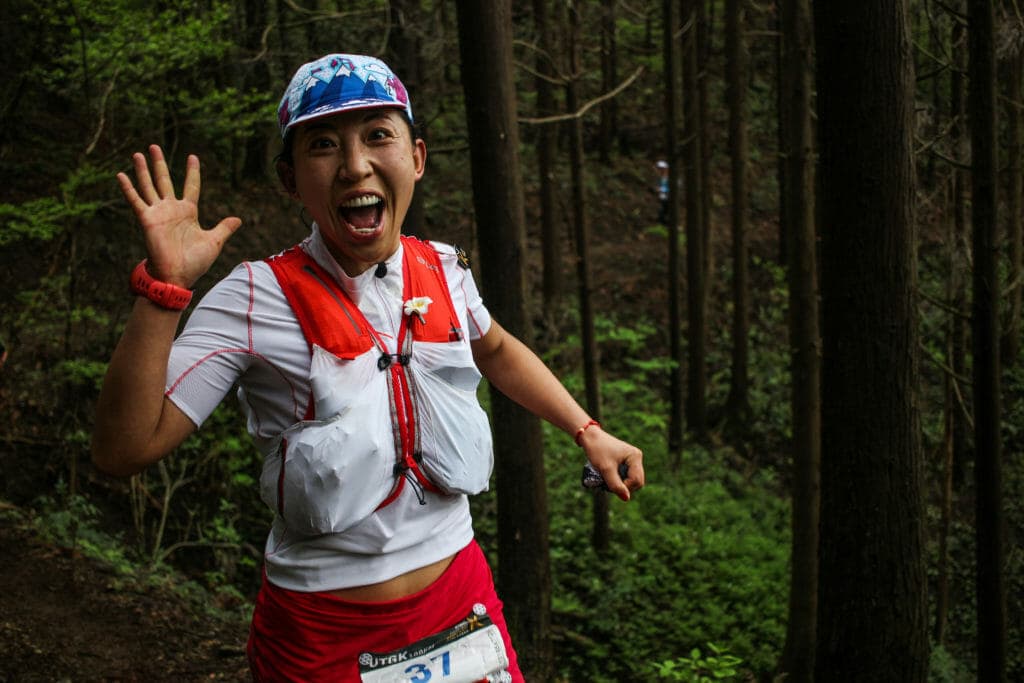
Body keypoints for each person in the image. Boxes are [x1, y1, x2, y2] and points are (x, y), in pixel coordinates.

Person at [92, 53, 644, 682]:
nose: (355, 164)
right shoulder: (254, 296)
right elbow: (121, 450)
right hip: (322, 629)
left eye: (379, 135)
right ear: (290, 179)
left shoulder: (442, 267)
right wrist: (163, 289)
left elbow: (495, 348)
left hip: (460, 602)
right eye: (323, 144)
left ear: (416, 158)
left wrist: (587, 429)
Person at [655, 159, 670, 225]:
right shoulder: (661, 177)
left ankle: (663, 221)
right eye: (660, 168)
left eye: (662, 168)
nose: (660, 170)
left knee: (665, 209)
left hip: (668, 196)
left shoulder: (669, 177)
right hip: (663, 196)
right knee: (663, 208)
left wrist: (661, 190)